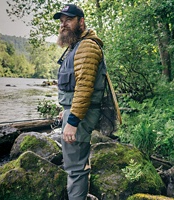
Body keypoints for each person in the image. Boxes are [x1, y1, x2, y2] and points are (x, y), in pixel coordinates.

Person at [53, 4, 107, 200]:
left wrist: (73, 121)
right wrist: (66, 109)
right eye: (61, 21)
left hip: (80, 116)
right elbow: (74, 87)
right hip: (75, 111)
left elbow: (84, 88)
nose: (63, 24)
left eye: (68, 19)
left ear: (81, 21)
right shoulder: (76, 46)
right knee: (76, 165)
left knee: (75, 169)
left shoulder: (87, 47)